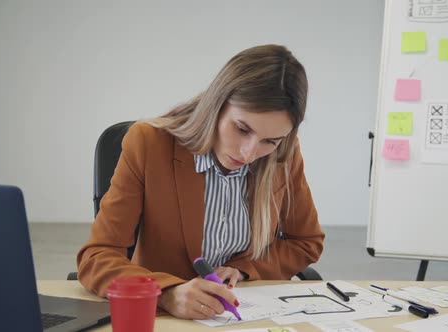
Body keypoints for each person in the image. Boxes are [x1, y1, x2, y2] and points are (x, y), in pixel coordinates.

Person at [77, 44, 325, 320]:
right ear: (216, 106)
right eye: (242, 129)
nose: (249, 152)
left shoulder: (282, 156)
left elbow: (305, 242)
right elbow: (97, 257)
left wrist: (245, 268)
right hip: (170, 320)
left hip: (243, 316)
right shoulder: (148, 143)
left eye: (270, 140)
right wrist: (167, 293)